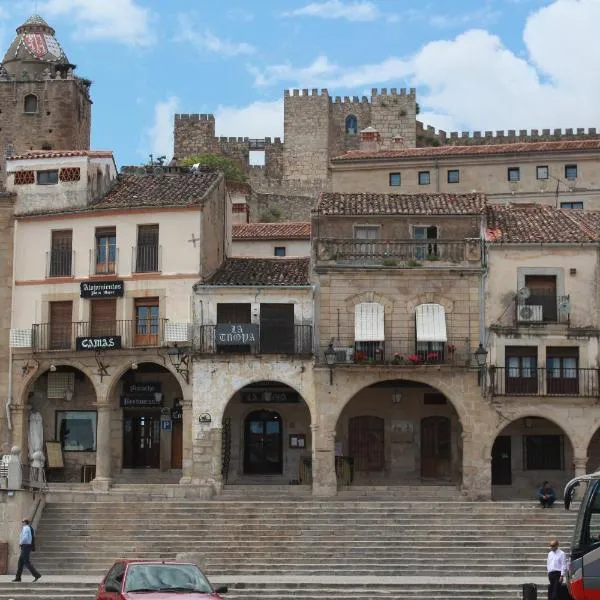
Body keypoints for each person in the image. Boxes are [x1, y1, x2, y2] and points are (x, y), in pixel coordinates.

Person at [12, 518, 41, 582]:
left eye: (22, 521)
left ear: (25, 522)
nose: (22, 523)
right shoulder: (29, 527)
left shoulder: (26, 528)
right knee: (20, 562)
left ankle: (37, 575)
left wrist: (21, 543)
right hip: (27, 546)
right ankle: (18, 577)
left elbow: (25, 537)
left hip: (25, 546)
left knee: (26, 562)